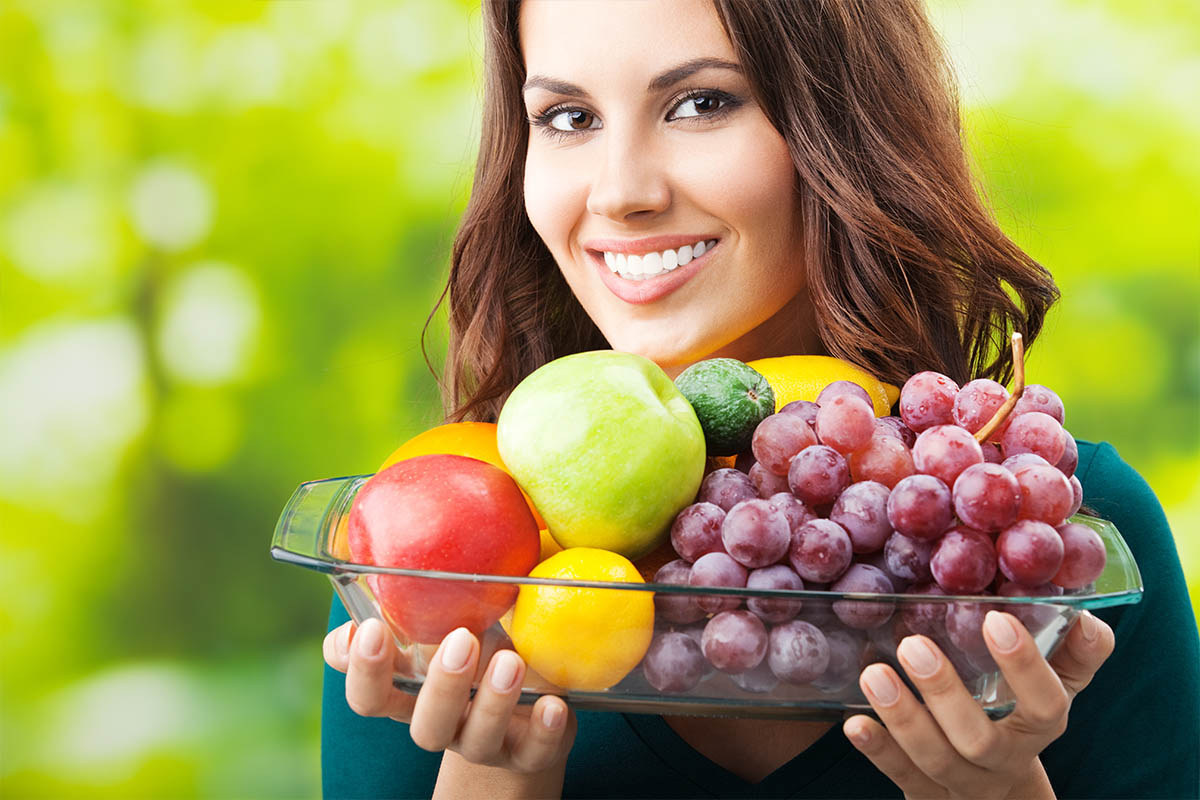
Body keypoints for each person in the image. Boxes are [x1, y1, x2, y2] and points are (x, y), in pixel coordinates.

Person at [320, 1, 1200, 797]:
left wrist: (998, 793)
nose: (621, 192)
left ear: (845, 127)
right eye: (569, 117)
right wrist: (493, 773)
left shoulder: (1043, 539)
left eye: (700, 103)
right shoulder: (435, 556)